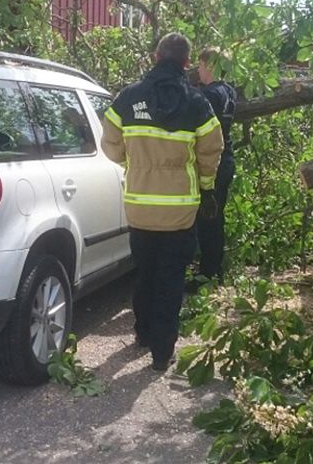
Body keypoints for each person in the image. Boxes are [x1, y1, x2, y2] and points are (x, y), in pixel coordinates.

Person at [101, 33, 224, 371]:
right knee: (171, 279)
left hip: (140, 207)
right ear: (186, 64)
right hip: (180, 211)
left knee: (144, 273)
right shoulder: (197, 103)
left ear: (155, 57)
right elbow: (212, 149)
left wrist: (133, 162)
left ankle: (142, 332)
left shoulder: (128, 99)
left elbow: (109, 143)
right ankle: (161, 351)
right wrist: (207, 187)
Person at [195, 48, 237, 283]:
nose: (198, 72)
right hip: (227, 158)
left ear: (209, 65)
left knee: (207, 219)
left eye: (200, 66)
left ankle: (207, 273)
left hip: (214, 161)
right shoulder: (229, 91)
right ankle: (214, 269)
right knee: (216, 216)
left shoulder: (209, 95)